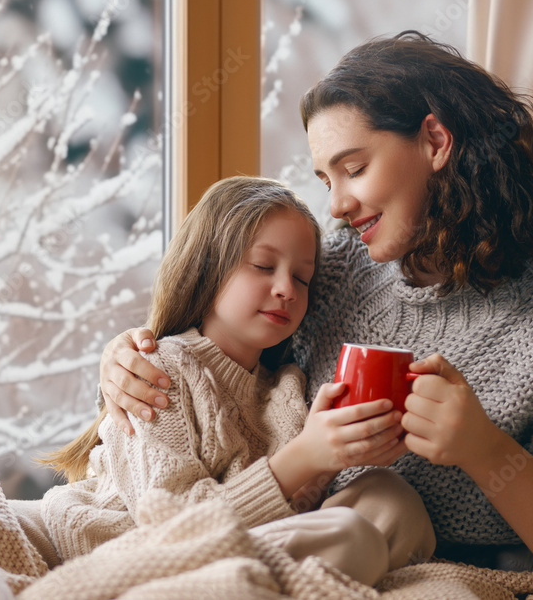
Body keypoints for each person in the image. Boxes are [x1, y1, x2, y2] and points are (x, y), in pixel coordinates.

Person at [98, 32, 533, 595]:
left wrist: (486, 450)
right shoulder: (336, 269)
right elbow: (223, 353)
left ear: (434, 140)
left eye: (353, 169)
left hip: (415, 568)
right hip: (295, 540)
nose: (336, 205)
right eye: (326, 180)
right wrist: (130, 356)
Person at [35, 175, 435, 587]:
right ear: (206, 268)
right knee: (351, 540)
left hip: (238, 552)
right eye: (264, 266)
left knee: (391, 498)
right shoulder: (160, 372)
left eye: (302, 278)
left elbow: (293, 513)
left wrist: (339, 455)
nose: (286, 289)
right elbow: (172, 527)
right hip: (139, 557)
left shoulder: (286, 389)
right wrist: (305, 457)